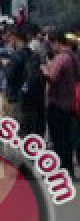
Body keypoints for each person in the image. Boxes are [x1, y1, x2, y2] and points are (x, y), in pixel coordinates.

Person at [43, 31, 76, 177]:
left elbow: (52, 78)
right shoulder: (73, 56)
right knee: (67, 138)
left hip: (57, 103)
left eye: (51, 43)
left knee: (58, 138)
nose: (51, 47)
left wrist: (44, 69)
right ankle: (68, 169)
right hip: (70, 102)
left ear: (57, 42)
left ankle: (60, 169)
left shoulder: (61, 58)